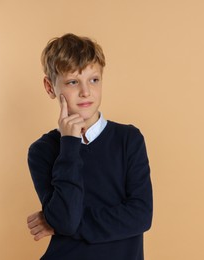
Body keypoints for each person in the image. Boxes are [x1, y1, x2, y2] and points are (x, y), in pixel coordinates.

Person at [26, 33, 153, 260]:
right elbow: (66, 219)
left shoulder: (128, 139)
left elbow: (141, 216)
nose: (86, 92)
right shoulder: (42, 151)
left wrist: (58, 224)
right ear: (49, 87)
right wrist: (70, 144)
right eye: (73, 82)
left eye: (93, 80)